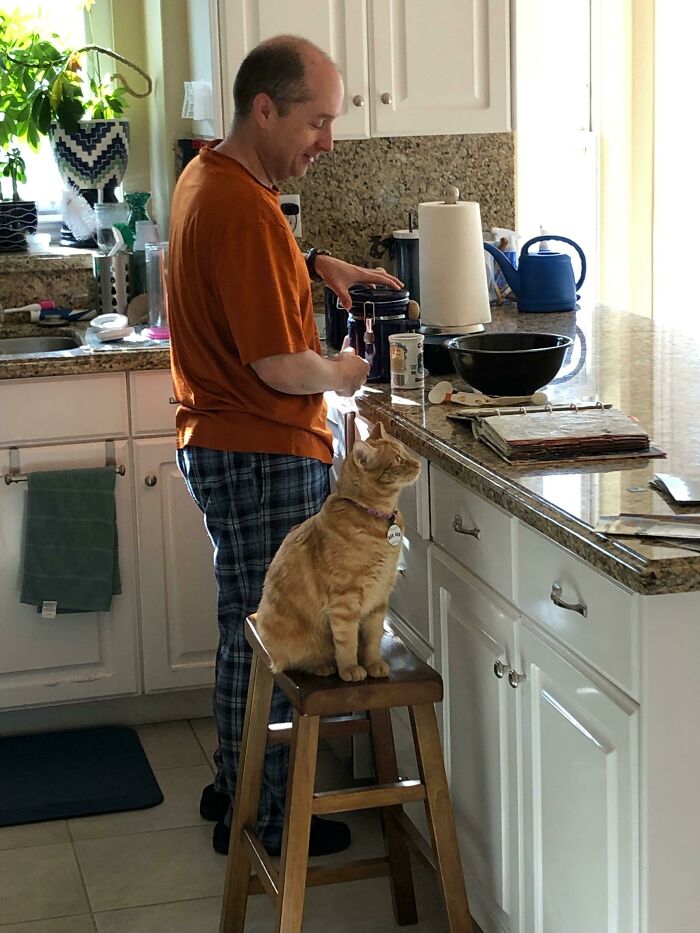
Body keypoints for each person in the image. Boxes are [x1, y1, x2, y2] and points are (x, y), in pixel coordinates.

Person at [167, 34, 403, 857]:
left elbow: (251, 263)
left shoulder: (215, 174)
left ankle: (235, 787)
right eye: (316, 121)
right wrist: (342, 371)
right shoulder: (238, 203)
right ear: (264, 109)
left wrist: (313, 263)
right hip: (261, 445)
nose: (328, 141)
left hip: (227, 441)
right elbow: (276, 362)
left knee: (247, 623)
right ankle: (263, 818)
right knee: (270, 633)